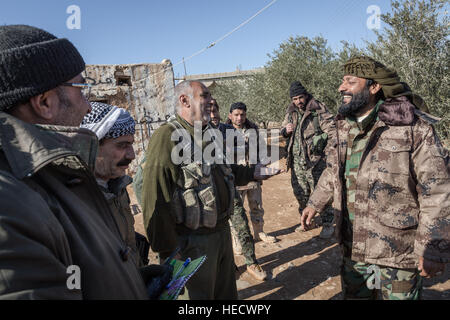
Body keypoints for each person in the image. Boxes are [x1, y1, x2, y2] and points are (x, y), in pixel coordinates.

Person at [0, 25, 153, 299]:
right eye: (81, 89)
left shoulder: (50, 174)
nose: (88, 105)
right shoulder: (10, 202)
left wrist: (134, 283)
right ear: (45, 102)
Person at [302, 56, 449, 300]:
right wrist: (315, 202)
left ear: (374, 87)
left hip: (398, 252)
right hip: (353, 248)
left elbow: (437, 191)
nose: (341, 88)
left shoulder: (413, 127)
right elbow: (333, 171)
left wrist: (434, 248)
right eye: (342, 81)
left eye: (350, 82)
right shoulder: (343, 126)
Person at [141, 81, 279, 299]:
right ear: (184, 100)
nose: (211, 102)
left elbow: (222, 169)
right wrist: (169, 251)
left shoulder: (208, 132)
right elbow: (154, 198)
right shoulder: (167, 136)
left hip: (221, 234)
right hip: (192, 244)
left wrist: (252, 173)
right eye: (204, 96)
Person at [81, 102, 150, 266]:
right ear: (92, 146)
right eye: (122, 145)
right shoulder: (76, 196)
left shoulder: (118, 187)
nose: (132, 155)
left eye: (131, 144)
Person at [210, 99, 268, 281]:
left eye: (215, 111)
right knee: (215, 230)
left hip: (230, 184)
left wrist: (255, 171)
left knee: (241, 223)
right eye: (208, 111)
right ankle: (227, 264)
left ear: (220, 113)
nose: (212, 115)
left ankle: (251, 261)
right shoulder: (195, 134)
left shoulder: (229, 131)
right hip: (207, 192)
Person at [281, 81, 336, 238]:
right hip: (297, 161)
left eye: (300, 97)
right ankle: (307, 221)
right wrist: (285, 130)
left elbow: (333, 132)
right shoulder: (291, 112)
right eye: (295, 99)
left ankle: (328, 224)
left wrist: (327, 154)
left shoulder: (318, 109)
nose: (298, 101)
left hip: (317, 161)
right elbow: (282, 128)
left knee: (321, 194)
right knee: (301, 194)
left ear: (306, 95)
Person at [227, 102, 277, 244]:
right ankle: (238, 240)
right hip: (236, 178)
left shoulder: (253, 131)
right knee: (236, 211)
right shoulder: (225, 132)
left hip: (253, 176)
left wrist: (263, 164)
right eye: (236, 115)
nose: (239, 118)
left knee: (256, 206)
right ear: (230, 116)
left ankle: (259, 232)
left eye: (242, 114)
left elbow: (263, 151)